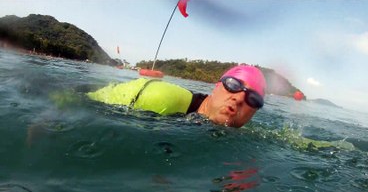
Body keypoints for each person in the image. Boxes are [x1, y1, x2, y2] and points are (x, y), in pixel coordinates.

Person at [86, 65, 266, 128]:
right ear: (216, 86)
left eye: (253, 99)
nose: (240, 98)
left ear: (253, 114)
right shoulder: (161, 98)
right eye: (233, 85)